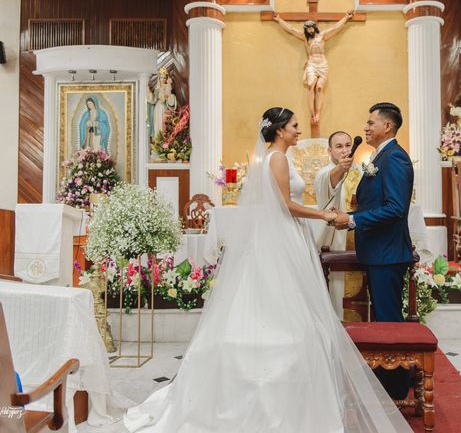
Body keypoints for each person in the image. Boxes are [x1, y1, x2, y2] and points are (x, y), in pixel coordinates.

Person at [124, 107, 412, 433]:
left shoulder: (279, 158)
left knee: (285, 303)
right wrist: (325, 216)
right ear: (278, 130)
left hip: (288, 235)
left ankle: (387, 383)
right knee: (283, 305)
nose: (299, 131)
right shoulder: (277, 159)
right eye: (294, 126)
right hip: (283, 236)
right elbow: (286, 205)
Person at [332, 102, 414, 399]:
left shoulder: (395, 159)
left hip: (388, 253)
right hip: (379, 252)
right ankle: (387, 381)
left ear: (387, 127)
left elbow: (395, 209)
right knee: (383, 319)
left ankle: (397, 386)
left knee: (390, 323)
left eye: (371, 123)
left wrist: (354, 219)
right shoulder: (379, 156)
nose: (365, 128)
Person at [273, 10, 354, 125]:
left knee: (319, 88)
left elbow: (335, 27)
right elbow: (291, 29)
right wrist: (279, 19)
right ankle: (312, 114)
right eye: (307, 29)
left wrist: (346, 17)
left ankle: (318, 113)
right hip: (312, 63)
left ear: (314, 27)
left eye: (311, 28)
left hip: (322, 64)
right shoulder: (306, 38)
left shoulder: (322, 35)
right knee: (311, 85)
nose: (309, 30)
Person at [313, 131, 362, 317]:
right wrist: (341, 169)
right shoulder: (324, 173)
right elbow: (331, 182)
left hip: (361, 235)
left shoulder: (363, 171)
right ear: (330, 151)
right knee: (336, 286)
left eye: (348, 145)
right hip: (336, 240)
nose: (345, 150)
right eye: (339, 146)